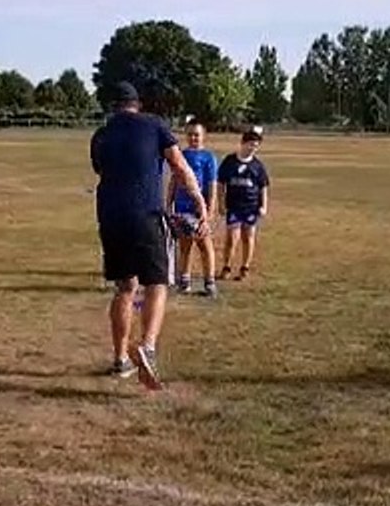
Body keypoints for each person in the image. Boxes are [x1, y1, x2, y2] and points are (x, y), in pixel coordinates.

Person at [91, 82, 209, 390]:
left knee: (125, 287)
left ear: (113, 106)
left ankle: (120, 360)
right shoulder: (154, 125)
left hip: (110, 217)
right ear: (137, 104)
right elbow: (179, 165)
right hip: (145, 215)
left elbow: (103, 171)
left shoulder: (101, 135)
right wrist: (198, 199)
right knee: (157, 283)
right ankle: (149, 347)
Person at [167, 121, 220, 298]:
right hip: (182, 208)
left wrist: (209, 212)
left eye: (196, 134)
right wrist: (168, 203)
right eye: (190, 134)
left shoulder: (208, 157)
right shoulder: (181, 155)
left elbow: (212, 186)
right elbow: (174, 181)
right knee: (185, 246)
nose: (193, 138)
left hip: (199, 209)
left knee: (205, 245)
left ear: (203, 136)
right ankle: (184, 281)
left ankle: (209, 282)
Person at [218, 127, 271, 282]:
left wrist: (263, 206)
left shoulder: (257, 166)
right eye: (250, 145)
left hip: (251, 207)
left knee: (248, 237)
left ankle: (245, 267)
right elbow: (221, 184)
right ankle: (226, 267)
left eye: (256, 146)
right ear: (242, 143)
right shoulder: (230, 161)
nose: (252, 148)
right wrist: (221, 203)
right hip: (233, 206)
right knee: (231, 238)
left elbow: (263, 187)